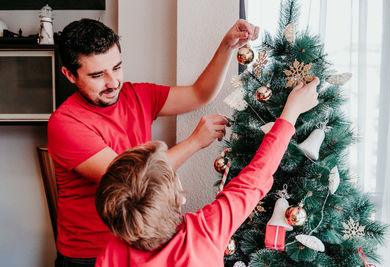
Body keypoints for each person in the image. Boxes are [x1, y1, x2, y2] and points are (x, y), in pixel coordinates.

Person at [47, 18, 259, 266]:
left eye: (117, 67)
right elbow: (130, 179)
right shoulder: (65, 123)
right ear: (69, 75)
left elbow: (199, 93)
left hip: (138, 243)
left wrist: (227, 46)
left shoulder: (137, 95)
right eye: (97, 75)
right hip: (89, 254)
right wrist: (194, 142)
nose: (113, 82)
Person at [94, 78, 320, 267]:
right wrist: (291, 112)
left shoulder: (111, 254)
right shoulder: (203, 233)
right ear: (180, 198)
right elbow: (254, 177)